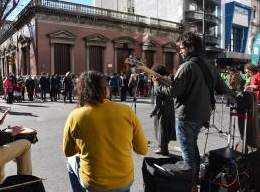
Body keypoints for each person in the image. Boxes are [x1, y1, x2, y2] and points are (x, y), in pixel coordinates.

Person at [154, 32, 232, 190]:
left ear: (191, 47)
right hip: (202, 115)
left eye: (182, 48)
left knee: (187, 152)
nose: (180, 51)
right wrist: (235, 97)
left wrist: (157, 86)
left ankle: (190, 185)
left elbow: (173, 92)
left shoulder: (187, 66)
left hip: (187, 115)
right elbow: (222, 87)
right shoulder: (209, 64)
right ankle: (195, 178)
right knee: (192, 146)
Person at [63, 71, 148, 192]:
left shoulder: (75, 115)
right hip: (124, 181)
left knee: (71, 161)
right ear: (106, 90)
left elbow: (68, 152)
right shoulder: (126, 111)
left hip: (93, 184)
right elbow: (143, 149)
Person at [150, 65, 175, 156]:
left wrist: (153, 111)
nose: (152, 77)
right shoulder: (166, 81)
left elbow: (158, 96)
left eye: (153, 75)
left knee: (161, 129)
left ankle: (162, 149)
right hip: (168, 107)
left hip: (162, 109)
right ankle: (164, 148)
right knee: (164, 128)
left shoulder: (160, 82)